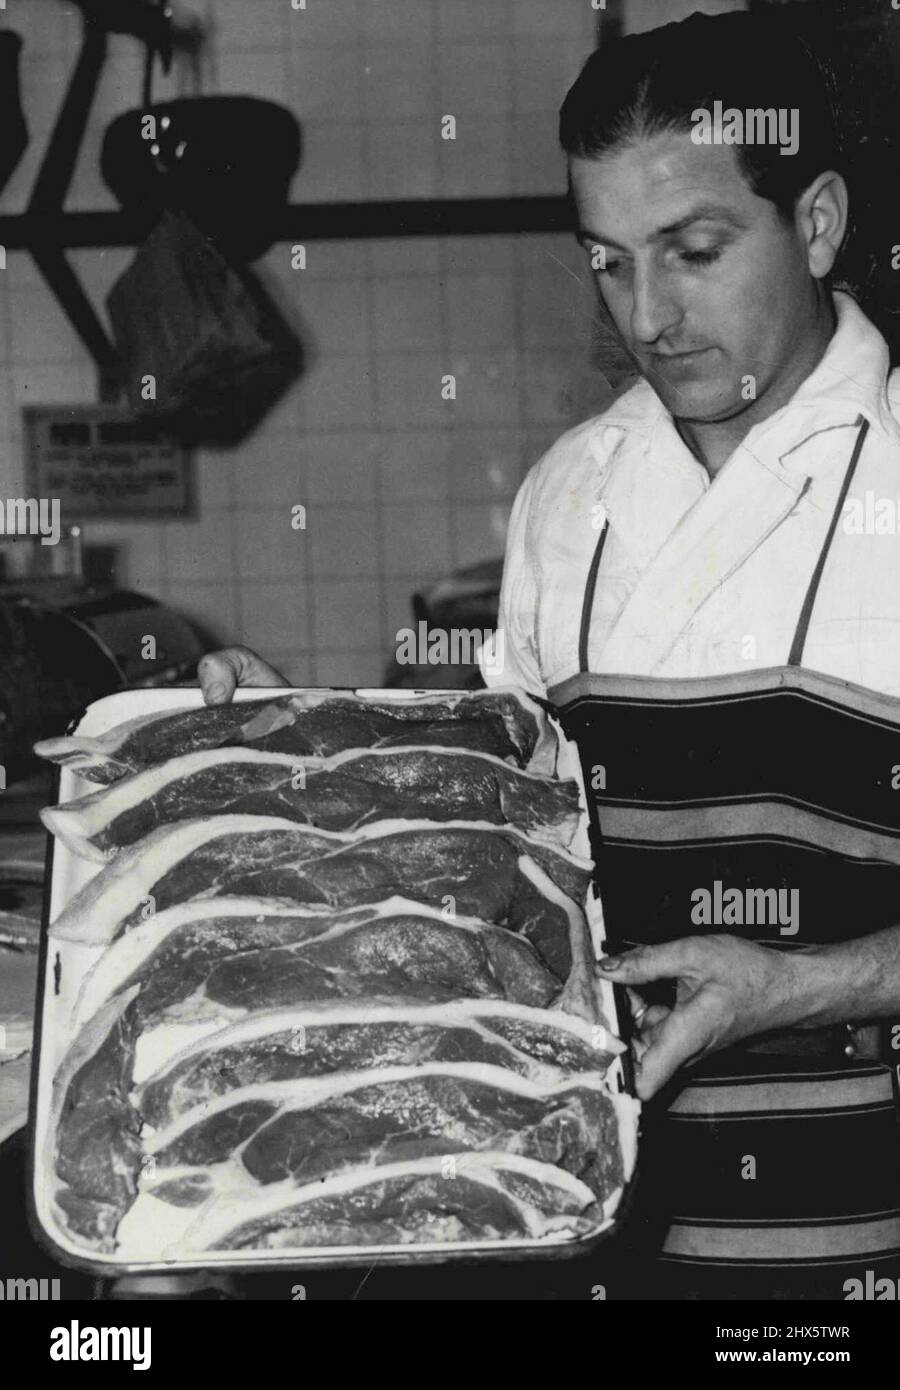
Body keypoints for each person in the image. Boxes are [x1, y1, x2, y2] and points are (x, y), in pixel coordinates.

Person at [200, 10, 900, 1298]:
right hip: (578, 1234)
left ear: (816, 222)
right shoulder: (569, 493)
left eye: (694, 252)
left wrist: (810, 983)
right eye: (607, 262)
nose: (649, 315)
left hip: (854, 1243)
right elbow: (497, 852)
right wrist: (272, 762)